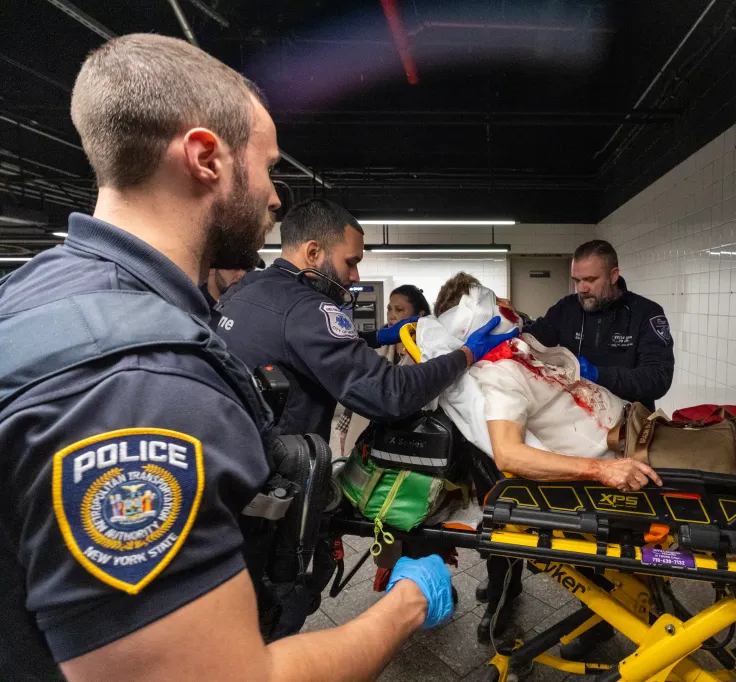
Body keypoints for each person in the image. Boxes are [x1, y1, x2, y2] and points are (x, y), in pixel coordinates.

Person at [0, 34, 452, 681]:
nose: (275, 198)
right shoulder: (140, 387)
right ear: (205, 157)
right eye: (266, 167)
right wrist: (408, 603)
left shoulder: (37, 288)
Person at [421, 274, 662, 643]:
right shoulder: (499, 373)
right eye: (500, 307)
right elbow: (508, 453)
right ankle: (604, 617)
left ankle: (607, 619)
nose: (511, 312)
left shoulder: (521, 352)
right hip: (622, 459)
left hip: (636, 431)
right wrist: (603, 469)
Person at [215, 197, 518, 443]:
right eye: (351, 262)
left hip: (236, 458)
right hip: (279, 481)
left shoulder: (245, 289)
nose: (356, 276)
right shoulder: (307, 308)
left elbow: (294, 344)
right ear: (313, 252)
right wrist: (465, 354)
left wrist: (375, 338)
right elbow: (391, 393)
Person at [525, 240, 674, 411]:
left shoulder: (646, 313)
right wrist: (511, 328)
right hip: (575, 416)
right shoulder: (566, 308)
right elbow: (534, 337)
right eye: (577, 280)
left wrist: (599, 375)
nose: (581, 289)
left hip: (629, 419)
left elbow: (658, 378)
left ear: (613, 276)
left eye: (590, 280)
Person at [384, 284, 432, 361]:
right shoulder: (377, 350)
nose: (390, 316)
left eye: (399, 310)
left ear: (419, 315)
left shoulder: (430, 350)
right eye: (389, 309)